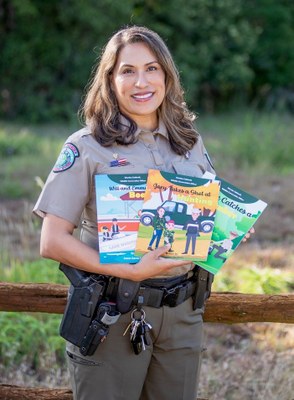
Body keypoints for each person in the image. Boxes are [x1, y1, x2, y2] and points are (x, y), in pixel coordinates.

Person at [33, 26, 253, 400]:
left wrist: (228, 228)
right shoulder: (86, 146)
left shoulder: (189, 141)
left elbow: (204, 214)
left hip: (184, 312)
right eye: (127, 70)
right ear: (110, 79)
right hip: (113, 310)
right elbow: (52, 242)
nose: (141, 82)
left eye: (151, 68)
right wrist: (129, 271)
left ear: (166, 75)